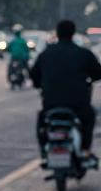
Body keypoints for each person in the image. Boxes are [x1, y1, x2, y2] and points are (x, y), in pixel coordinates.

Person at [31, 19, 101, 156]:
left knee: (42, 120)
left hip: (51, 103)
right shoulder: (83, 53)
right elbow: (98, 73)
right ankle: (85, 149)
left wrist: (40, 84)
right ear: (73, 33)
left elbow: (34, 75)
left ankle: (44, 152)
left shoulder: (46, 54)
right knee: (90, 117)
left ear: (57, 33)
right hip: (78, 103)